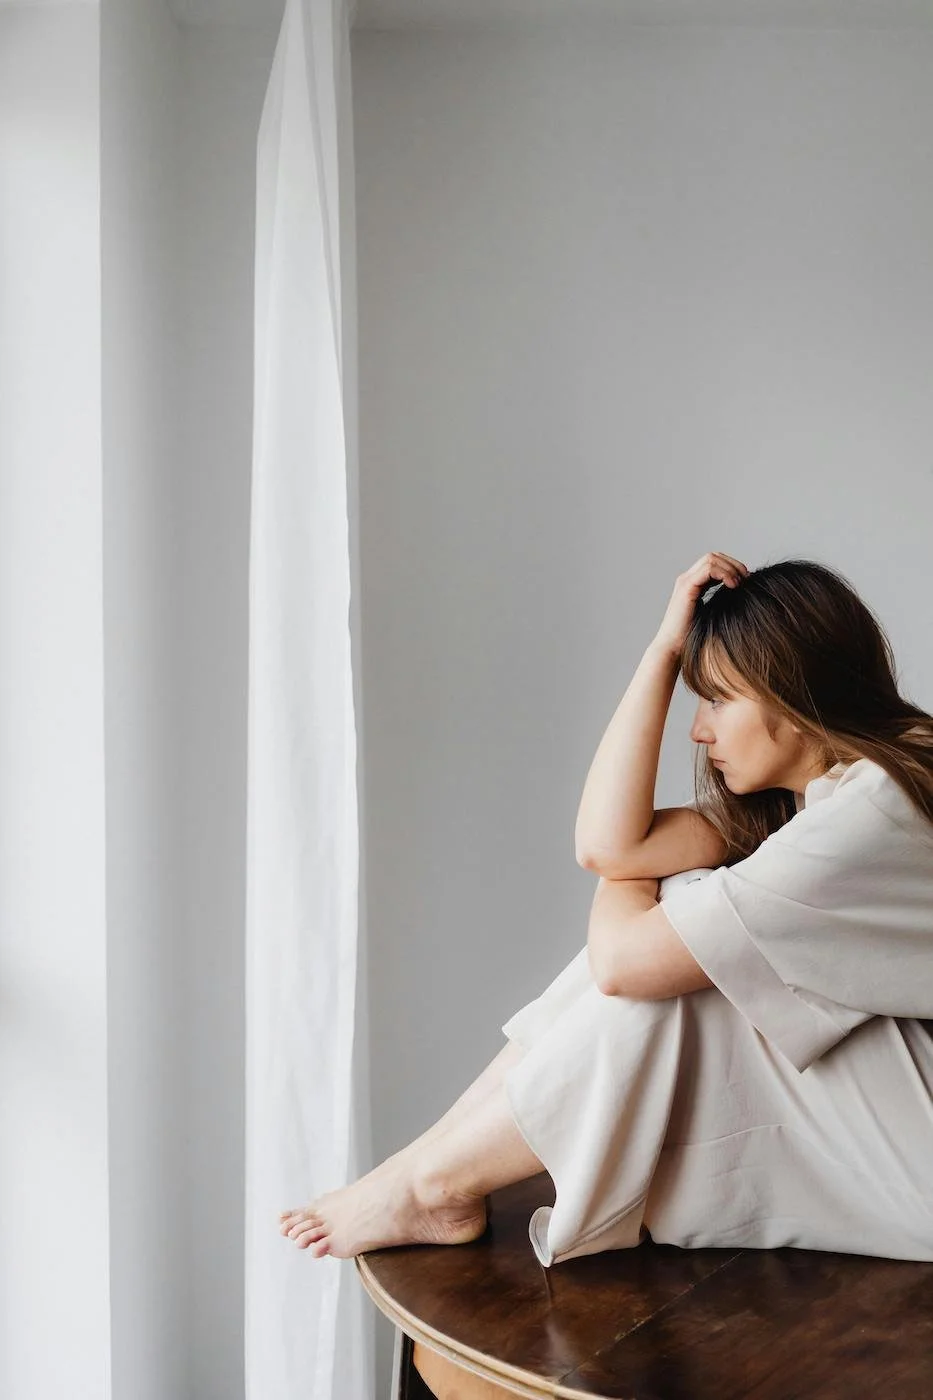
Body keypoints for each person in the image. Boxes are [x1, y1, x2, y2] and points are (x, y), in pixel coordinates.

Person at [279, 553, 933, 1265]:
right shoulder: (853, 783)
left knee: (681, 935)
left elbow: (622, 961)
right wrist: (660, 653)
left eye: (716, 699)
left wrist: (638, 875)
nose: (698, 731)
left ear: (792, 696)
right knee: (690, 925)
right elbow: (606, 845)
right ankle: (428, 1170)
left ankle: (435, 1180)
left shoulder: (873, 812)